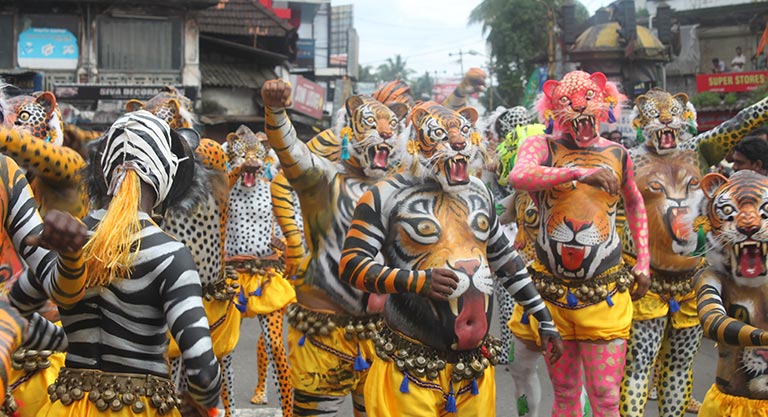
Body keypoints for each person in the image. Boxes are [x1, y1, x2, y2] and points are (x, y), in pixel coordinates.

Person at [339, 100, 562, 416]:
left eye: (463, 134)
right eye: (440, 136)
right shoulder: (385, 195)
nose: (456, 142)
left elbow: (506, 261)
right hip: (409, 370)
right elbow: (351, 266)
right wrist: (417, 281)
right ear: (416, 143)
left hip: (472, 371)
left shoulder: (478, 191)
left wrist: (543, 316)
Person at [12, 111, 222, 417]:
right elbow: (202, 369)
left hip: (64, 407)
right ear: (167, 172)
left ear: (104, 170)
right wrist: (205, 402)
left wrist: (61, 340)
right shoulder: (169, 254)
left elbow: (15, 311)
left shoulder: (69, 238)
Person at [261, 79, 409, 415]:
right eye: (372, 125)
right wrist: (275, 111)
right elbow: (290, 152)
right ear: (352, 131)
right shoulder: (324, 177)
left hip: (383, 331)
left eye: (391, 127)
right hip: (324, 330)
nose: (384, 132)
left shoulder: (399, 188)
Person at [509, 70, 651, 417]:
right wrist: (575, 172)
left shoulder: (619, 154)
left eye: (588, 98)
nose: (578, 108)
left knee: (604, 396)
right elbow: (518, 176)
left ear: (603, 102)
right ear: (553, 107)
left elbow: (634, 203)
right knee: (567, 393)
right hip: (552, 296)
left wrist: (644, 259)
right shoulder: (542, 146)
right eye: (567, 102)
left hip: (604, 295)